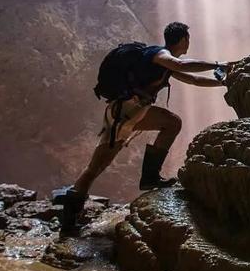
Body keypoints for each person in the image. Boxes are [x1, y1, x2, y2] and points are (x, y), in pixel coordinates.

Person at [60, 21, 226, 233]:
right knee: (171, 123)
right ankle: (149, 177)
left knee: (96, 167)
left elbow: (193, 79)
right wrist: (217, 64)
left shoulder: (165, 64)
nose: (188, 44)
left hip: (124, 113)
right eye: (188, 40)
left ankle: (68, 222)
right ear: (183, 39)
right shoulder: (160, 54)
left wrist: (222, 83)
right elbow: (184, 67)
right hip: (128, 111)